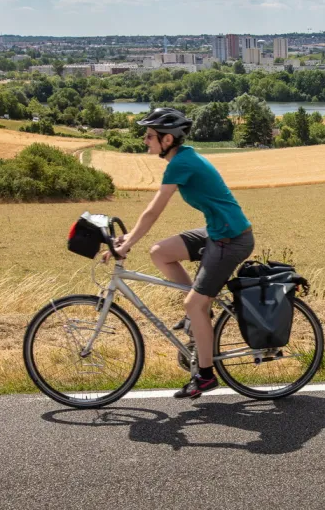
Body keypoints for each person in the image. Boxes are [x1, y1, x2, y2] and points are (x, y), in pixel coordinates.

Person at [102, 108, 254, 399]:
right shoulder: (183, 158)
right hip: (218, 232)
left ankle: (206, 375)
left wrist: (128, 241)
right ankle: (198, 317)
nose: (145, 140)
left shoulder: (180, 164)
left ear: (167, 138)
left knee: (193, 304)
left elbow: (154, 211)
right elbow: (150, 214)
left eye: (149, 136)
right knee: (160, 252)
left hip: (231, 240)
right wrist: (130, 237)